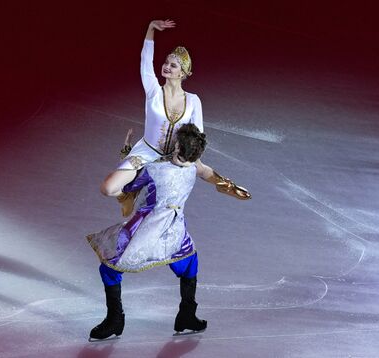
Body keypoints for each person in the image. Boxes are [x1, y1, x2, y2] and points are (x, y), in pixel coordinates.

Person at [100, 19, 250, 215]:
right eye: (166, 63)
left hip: (175, 157)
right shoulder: (154, 91)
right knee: (108, 188)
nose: (167, 67)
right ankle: (127, 194)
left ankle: (227, 185)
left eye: (173, 65)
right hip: (147, 153)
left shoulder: (193, 100)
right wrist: (150, 29)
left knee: (198, 167)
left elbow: (198, 139)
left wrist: (186, 158)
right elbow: (146, 62)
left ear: (183, 73)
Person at [87, 124, 210, 340]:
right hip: (174, 232)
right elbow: (205, 171)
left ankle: (115, 319)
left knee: (109, 268)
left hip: (145, 232)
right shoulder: (192, 170)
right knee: (190, 261)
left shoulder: (153, 169)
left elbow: (125, 187)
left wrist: (127, 155)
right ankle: (187, 315)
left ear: (177, 147)